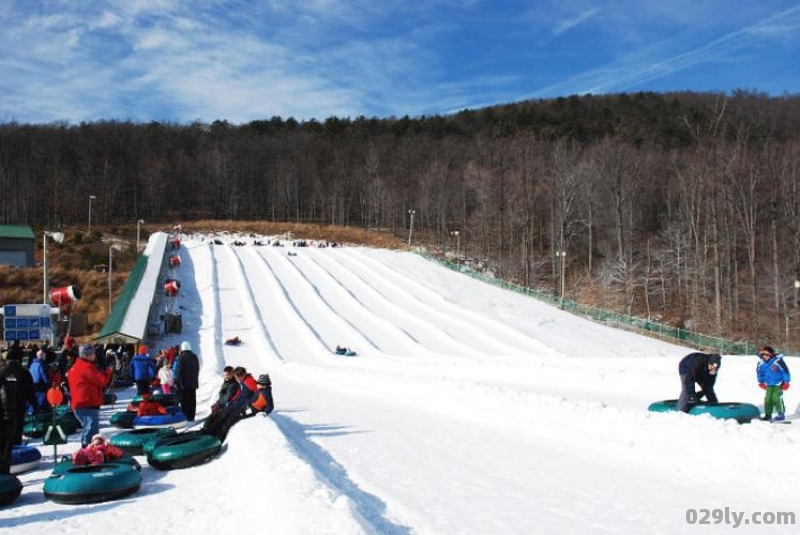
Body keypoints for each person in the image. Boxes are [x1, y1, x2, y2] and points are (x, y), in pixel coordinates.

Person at [203, 373, 273, 442]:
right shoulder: (261, 391)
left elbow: (270, 406)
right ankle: (214, 430)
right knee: (229, 415)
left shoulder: (266, 394)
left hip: (252, 410)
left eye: (259, 383)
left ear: (264, 385)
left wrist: (264, 413)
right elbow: (254, 399)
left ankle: (220, 437)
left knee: (231, 419)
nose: (257, 384)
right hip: (248, 407)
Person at [67, 344, 113, 448]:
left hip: (82, 402)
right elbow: (102, 380)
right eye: (92, 354)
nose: (94, 356)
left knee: (88, 429)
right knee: (91, 430)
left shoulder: (77, 366)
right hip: (87, 402)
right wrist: (108, 370)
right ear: (86, 355)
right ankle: (87, 453)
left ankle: (88, 451)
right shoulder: (86, 367)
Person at [0, 350, 37, 474]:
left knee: (4, 438)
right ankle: (16, 459)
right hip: (19, 407)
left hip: (3, 411)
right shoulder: (24, 373)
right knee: (16, 432)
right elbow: (31, 391)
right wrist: (35, 406)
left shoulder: (2, 373)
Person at [756, 346, 791, 421]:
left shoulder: (777, 361)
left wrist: (786, 382)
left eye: (766, 355)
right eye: (763, 355)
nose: (764, 357)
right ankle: (768, 415)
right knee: (767, 399)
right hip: (769, 384)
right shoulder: (761, 363)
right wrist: (761, 382)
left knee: (776, 398)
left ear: (770, 355)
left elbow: (785, 371)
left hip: (779, 384)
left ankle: (781, 414)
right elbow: (759, 372)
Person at [174, 341, 199, 421]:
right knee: (192, 400)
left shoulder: (181, 357)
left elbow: (179, 371)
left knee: (184, 401)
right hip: (193, 383)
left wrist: (177, 382)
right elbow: (197, 369)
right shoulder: (195, 356)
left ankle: (185, 417)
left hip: (183, 384)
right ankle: (191, 416)